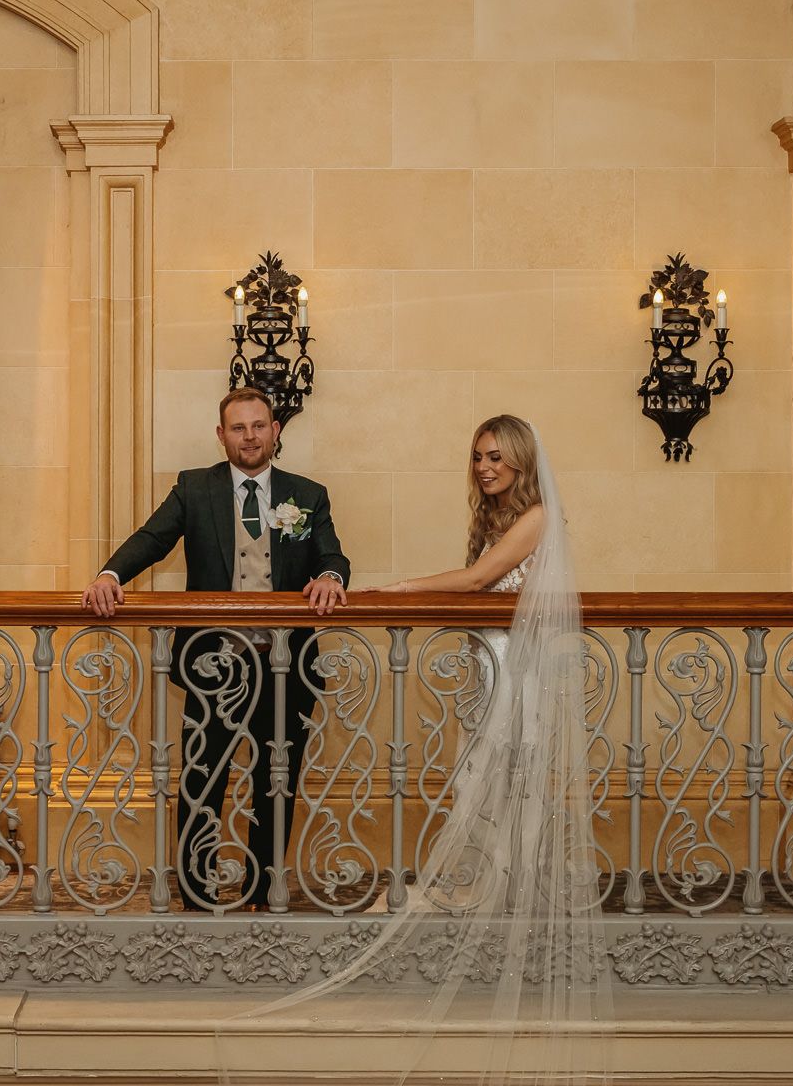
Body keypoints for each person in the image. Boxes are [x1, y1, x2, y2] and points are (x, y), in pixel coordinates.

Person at [219, 414, 608, 1086]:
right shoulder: (498, 514)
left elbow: (480, 578)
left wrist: (400, 589)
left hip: (522, 664)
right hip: (492, 660)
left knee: (512, 771)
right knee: (483, 773)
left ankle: (512, 894)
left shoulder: (538, 515)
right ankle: (491, 882)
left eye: (496, 457)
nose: (485, 468)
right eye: (478, 458)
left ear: (519, 459)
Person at [81, 386, 350, 910]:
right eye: (238, 428)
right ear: (221, 434)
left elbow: (332, 553)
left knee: (277, 781)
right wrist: (110, 573)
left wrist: (330, 577)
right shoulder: (194, 489)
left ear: (275, 431)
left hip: (285, 667)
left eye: (258, 426)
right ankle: (198, 894)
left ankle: (259, 889)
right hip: (213, 664)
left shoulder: (307, 494)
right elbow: (152, 538)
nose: (249, 436)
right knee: (202, 780)